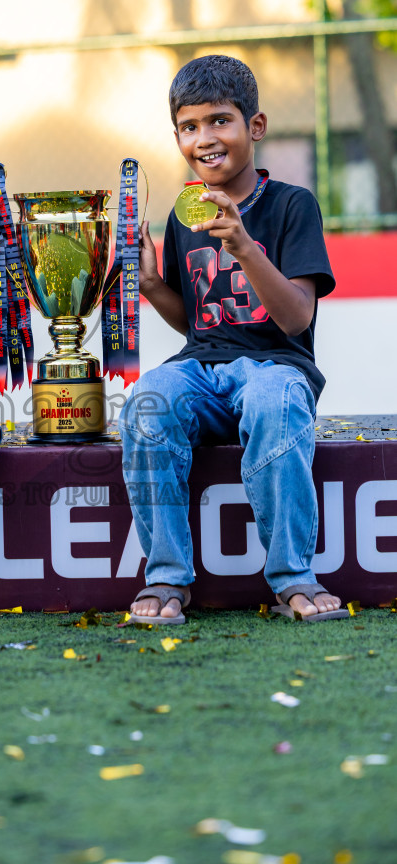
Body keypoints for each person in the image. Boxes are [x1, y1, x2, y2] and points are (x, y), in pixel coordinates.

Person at [119, 54, 348, 624]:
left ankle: (292, 575)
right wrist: (152, 285)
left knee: (275, 400)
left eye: (220, 120)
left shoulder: (293, 204)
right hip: (202, 369)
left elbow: (296, 319)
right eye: (189, 127)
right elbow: (196, 323)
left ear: (256, 126)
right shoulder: (184, 215)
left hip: (275, 367)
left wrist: (244, 245)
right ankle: (167, 576)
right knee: (148, 400)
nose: (205, 138)